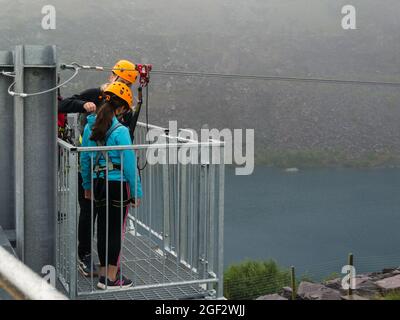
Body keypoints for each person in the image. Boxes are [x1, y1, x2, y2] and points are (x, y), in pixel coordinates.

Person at [58, 60, 139, 277]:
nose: (124, 85)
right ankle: (85, 255)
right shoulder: (94, 94)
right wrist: (83, 105)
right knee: (88, 211)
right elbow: (62, 105)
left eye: (128, 84)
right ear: (113, 75)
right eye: (122, 80)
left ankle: (106, 265)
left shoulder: (124, 105)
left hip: (105, 170)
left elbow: (126, 138)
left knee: (104, 219)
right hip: (89, 164)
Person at [80, 82, 142, 289]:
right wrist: (136, 192)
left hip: (98, 184)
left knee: (103, 228)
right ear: (122, 108)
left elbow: (85, 160)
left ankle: (104, 275)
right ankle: (111, 278)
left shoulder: (91, 126)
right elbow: (130, 166)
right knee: (115, 230)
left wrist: (87, 185)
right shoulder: (120, 131)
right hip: (117, 185)